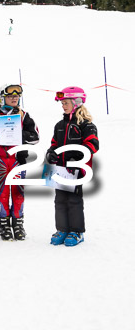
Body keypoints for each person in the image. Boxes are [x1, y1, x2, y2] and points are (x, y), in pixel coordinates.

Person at [0, 84, 39, 241]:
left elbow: (35, 138)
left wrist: (19, 132)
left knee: (18, 193)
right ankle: (4, 225)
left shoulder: (24, 116)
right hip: (0, 161)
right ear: (1, 98)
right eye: (10, 95)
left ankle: (18, 224)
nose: (14, 98)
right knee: (3, 193)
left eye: (17, 95)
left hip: (18, 161)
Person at [46, 87, 99, 247]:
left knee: (74, 200)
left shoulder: (86, 125)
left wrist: (78, 157)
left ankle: (76, 231)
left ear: (76, 103)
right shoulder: (60, 125)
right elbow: (54, 144)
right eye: (62, 103)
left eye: (66, 102)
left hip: (76, 171)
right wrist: (50, 153)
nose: (63, 105)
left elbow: (93, 145)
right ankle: (62, 229)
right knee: (60, 200)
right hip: (60, 170)